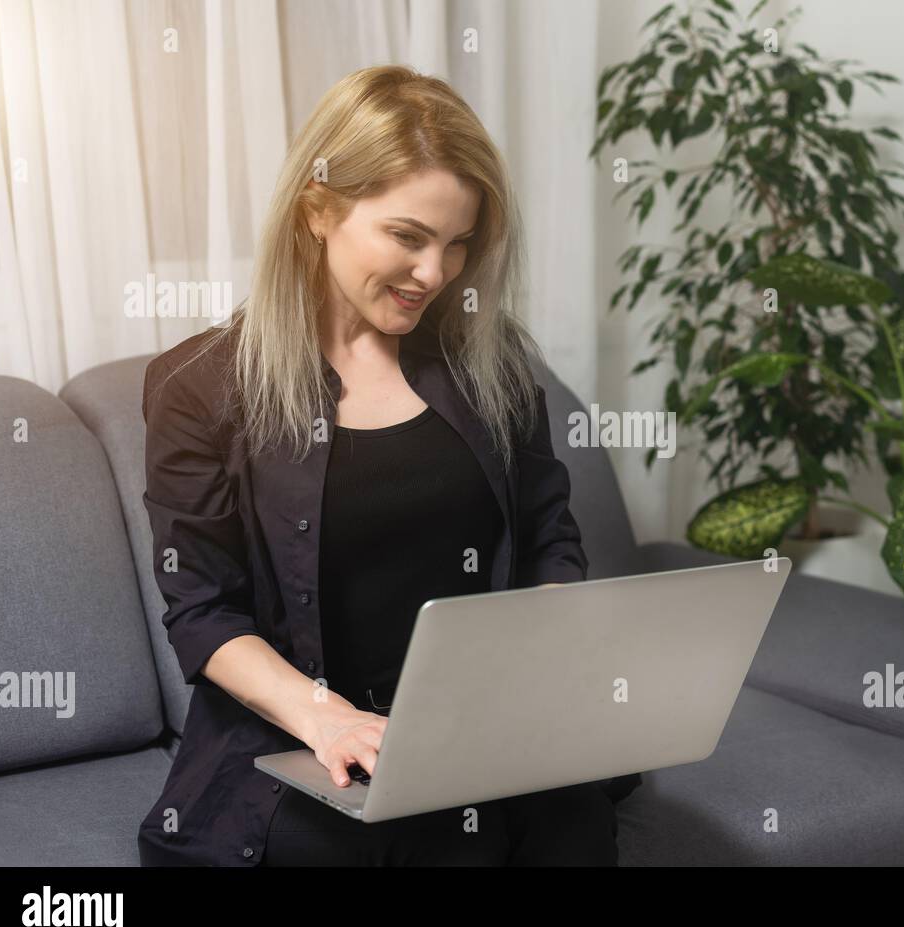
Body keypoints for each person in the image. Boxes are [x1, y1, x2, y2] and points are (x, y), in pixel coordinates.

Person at [136, 65, 628, 867]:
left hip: (483, 728)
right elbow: (203, 614)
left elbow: (550, 542)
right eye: (408, 236)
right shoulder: (200, 389)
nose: (437, 275)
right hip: (304, 734)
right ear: (318, 209)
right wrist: (329, 718)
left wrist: (541, 658)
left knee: (573, 828)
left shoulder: (490, 363)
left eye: (459, 243)